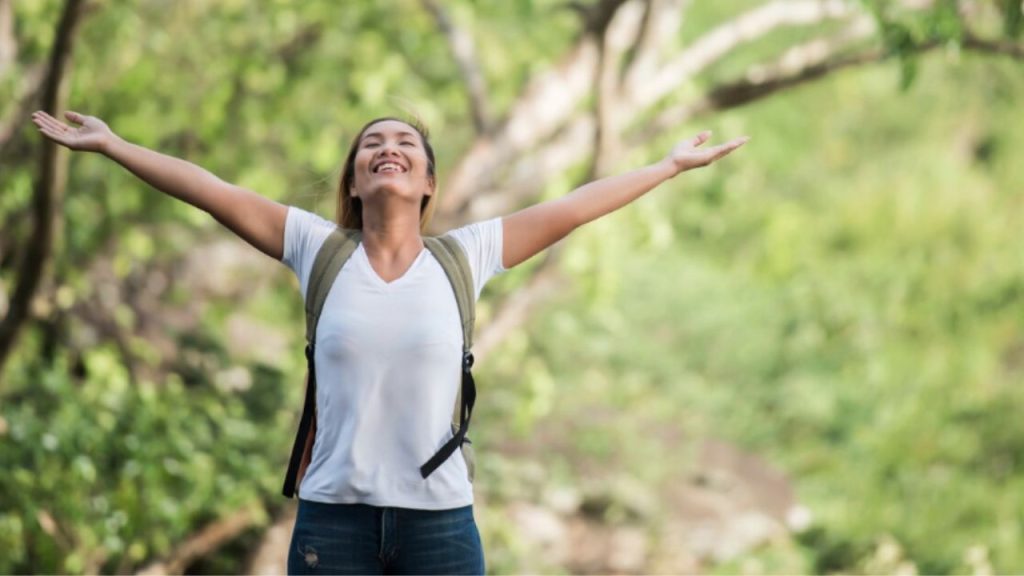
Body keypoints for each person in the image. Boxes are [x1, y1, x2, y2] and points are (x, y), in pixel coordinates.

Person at [31, 109, 748, 574]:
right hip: (333, 526)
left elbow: (573, 208)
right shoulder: (317, 249)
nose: (388, 149)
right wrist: (114, 145)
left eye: (405, 143)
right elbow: (209, 189)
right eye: (372, 143)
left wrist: (666, 167)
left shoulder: (467, 256)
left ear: (428, 182)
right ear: (354, 177)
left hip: (440, 528)